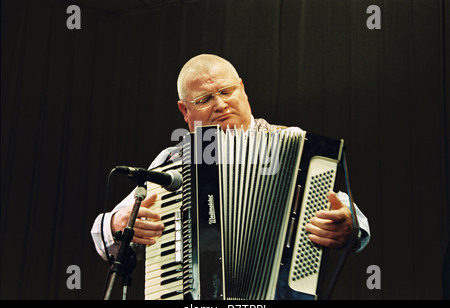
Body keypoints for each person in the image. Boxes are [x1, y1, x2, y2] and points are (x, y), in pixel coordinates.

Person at [91, 54, 370, 264]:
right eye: (204, 99)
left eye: (227, 92)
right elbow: (103, 236)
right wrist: (117, 223)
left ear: (242, 88)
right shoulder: (173, 160)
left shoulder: (291, 142)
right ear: (184, 111)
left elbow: (344, 209)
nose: (221, 105)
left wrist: (350, 223)